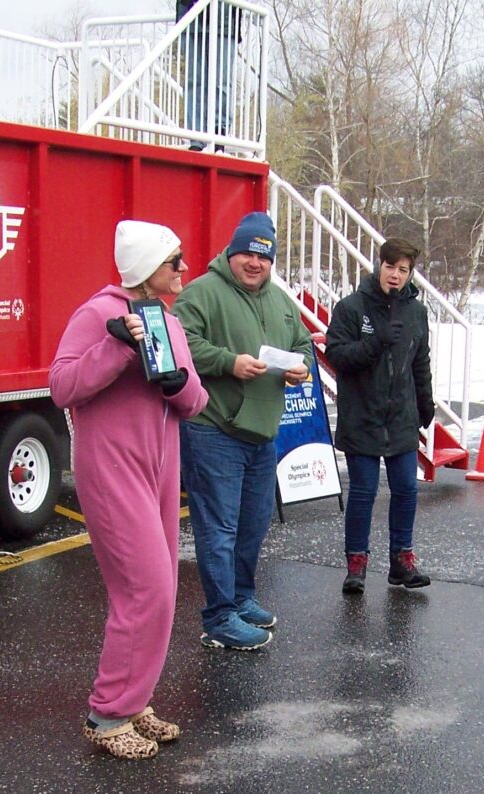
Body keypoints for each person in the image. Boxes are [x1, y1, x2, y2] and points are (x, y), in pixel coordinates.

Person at [49, 220, 208, 760]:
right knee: (147, 591)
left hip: (161, 471)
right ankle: (107, 712)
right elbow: (62, 386)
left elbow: (196, 399)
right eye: (175, 261)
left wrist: (180, 385)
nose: (184, 269)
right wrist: (114, 351)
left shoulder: (167, 318)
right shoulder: (98, 314)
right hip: (112, 468)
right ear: (146, 270)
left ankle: (134, 700)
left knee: (160, 593)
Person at [171, 211, 310, 650]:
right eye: (247, 252)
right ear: (233, 251)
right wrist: (229, 363)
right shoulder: (202, 292)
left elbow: (303, 341)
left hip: (262, 434)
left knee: (252, 525)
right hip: (214, 430)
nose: (255, 262)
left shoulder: (279, 300)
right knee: (219, 528)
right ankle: (219, 617)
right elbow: (181, 342)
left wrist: (300, 367)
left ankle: (242, 597)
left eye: (263, 256)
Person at [324, 238, 433, 594]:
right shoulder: (352, 308)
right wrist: (377, 342)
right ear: (379, 266)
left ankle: (402, 562)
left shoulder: (416, 312)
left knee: (405, 490)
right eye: (390, 267)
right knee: (364, 493)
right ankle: (356, 564)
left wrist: (425, 400)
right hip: (363, 415)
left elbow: (420, 360)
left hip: (401, 415)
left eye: (403, 270)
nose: (395, 275)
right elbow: (338, 355)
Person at [176, 0, 241, 151]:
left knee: (221, 81)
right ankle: (196, 138)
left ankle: (219, 132)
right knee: (194, 82)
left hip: (223, 21)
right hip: (190, 19)